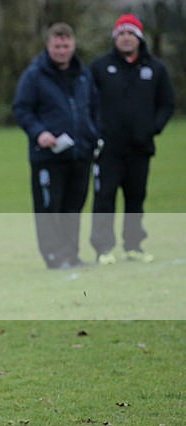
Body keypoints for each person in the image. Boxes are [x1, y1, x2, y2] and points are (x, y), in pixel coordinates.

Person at [12, 22, 100, 270]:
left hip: (80, 152)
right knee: (50, 207)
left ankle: (71, 254)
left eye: (66, 45)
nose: (62, 50)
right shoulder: (34, 75)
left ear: (73, 45)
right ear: (48, 46)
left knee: (74, 207)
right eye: (57, 46)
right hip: (48, 156)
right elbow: (21, 109)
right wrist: (39, 133)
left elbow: (94, 107)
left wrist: (94, 134)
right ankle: (53, 255)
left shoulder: (83, 74)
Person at [89, 13, 175, 265]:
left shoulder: (155, 69)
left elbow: (167, 104)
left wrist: (153, 128)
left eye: (131, 34)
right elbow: (88, 102)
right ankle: (103, 248)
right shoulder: (100, 67)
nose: (126, 38)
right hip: (107, 147)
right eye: (122, 34)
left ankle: (134, 245)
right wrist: (97, 132)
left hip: (140, 147)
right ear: (115, 38)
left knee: (136, 197)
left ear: (139, 38)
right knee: (104, 197)